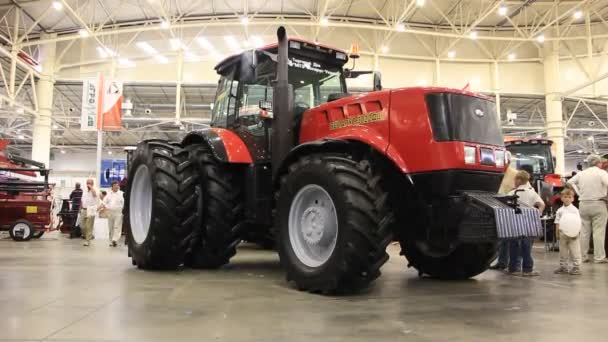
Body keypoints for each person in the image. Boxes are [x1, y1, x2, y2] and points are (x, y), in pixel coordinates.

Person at [567, 154, 608, 264]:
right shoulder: (602, 173)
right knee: (598, 232)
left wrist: (578, 192)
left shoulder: (581, 174)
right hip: (598, 203)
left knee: (584, 232)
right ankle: (599, 257)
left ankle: (583, 256)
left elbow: (569, 182)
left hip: (583, 203)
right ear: (598, 163)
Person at [507, 170, 545, 276]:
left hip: (514, 223)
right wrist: (539, 214)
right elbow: (541, 204)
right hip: (527, 224)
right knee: (526, 246)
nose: (514, 181)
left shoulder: (511, 193)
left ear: (519, 180)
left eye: (515, 179)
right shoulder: (531, 192)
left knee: (513, 245)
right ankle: (527, 269)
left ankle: (513, 268)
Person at [490, 152, 517, 271]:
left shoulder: (515, 174)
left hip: (510, 208)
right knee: (501, 238)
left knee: (510, 239)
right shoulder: (495, 172)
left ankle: (511, 263)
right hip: (498, 207)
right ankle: (502, 261)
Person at [554, 188, 583, 275]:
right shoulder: (560, 210)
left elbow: (578, 222)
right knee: (562, 251)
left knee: (575, 251)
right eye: (565, 197)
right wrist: (557, 233)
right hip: (563, 233)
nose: (567, 199)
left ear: (573, 199)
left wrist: (577, 232)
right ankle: (563, 267)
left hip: (573, 234)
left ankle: (576, 267)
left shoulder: (575, 210)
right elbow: (557, 222)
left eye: (569, 197)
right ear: (561, 198)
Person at [100, 181, 124, 247]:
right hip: (110, 212)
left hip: (118, 212)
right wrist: (100, 207)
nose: (116, 187)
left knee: (117, 226)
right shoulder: (108, 194)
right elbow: (104, 202)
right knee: (111, 227)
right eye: (115, 185)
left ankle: (115, 240)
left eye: (117, 185)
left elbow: (124, 203)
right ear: (112, 187)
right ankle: (111, 241)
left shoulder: (122, 194)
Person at [81, 178, 98, 247]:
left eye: (90, 183)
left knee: (89, 226)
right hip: (84, 209)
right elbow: (82, 199)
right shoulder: (84, 191)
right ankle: (89, 235)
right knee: (82, 226)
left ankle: (87, 240)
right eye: (87, 183)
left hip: (91, 209)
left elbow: (94, 195)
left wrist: (91, 188)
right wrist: (81, 207)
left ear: (93, 184)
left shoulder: (95, 190)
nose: (88, 184)